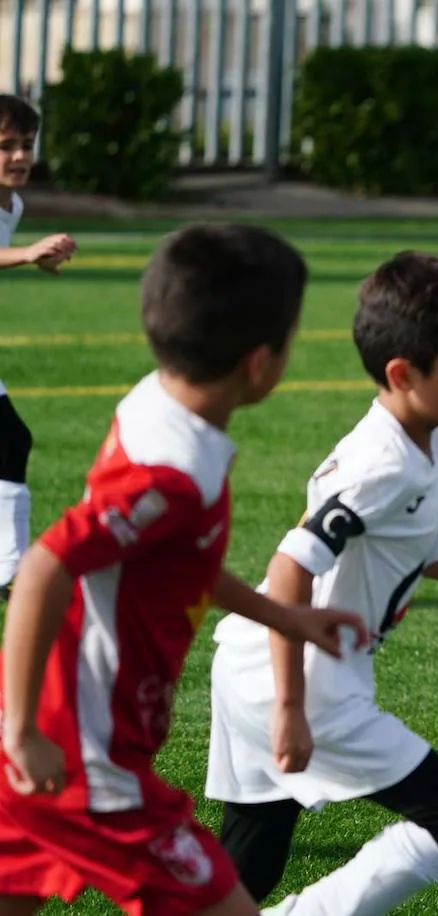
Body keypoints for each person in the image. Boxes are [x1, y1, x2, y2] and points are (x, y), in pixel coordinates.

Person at [0, 223, 369, 916]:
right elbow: (47, 563)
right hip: (87, 757)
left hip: (59, 728)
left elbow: (177, 564)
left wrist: (281, 616)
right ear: (260, 364)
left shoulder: (156, 401)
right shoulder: (169, 475)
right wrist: (23, 732)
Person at [206, 252, 438, 915]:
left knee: (249, 866)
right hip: (301, 680)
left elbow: (423, 544)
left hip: (254, 661)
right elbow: (294, 566)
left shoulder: (417, 439)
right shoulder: (383, 464)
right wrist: (292, 707)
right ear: (404, 374)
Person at [0, 94, 78, 600]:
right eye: (5, 146)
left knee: (9, 442)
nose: (20, 157)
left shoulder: (14, 203)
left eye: (26, 145)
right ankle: (10, 571)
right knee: (9, 440)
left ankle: (10, 570)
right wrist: (28, 253)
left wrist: (38, 259)